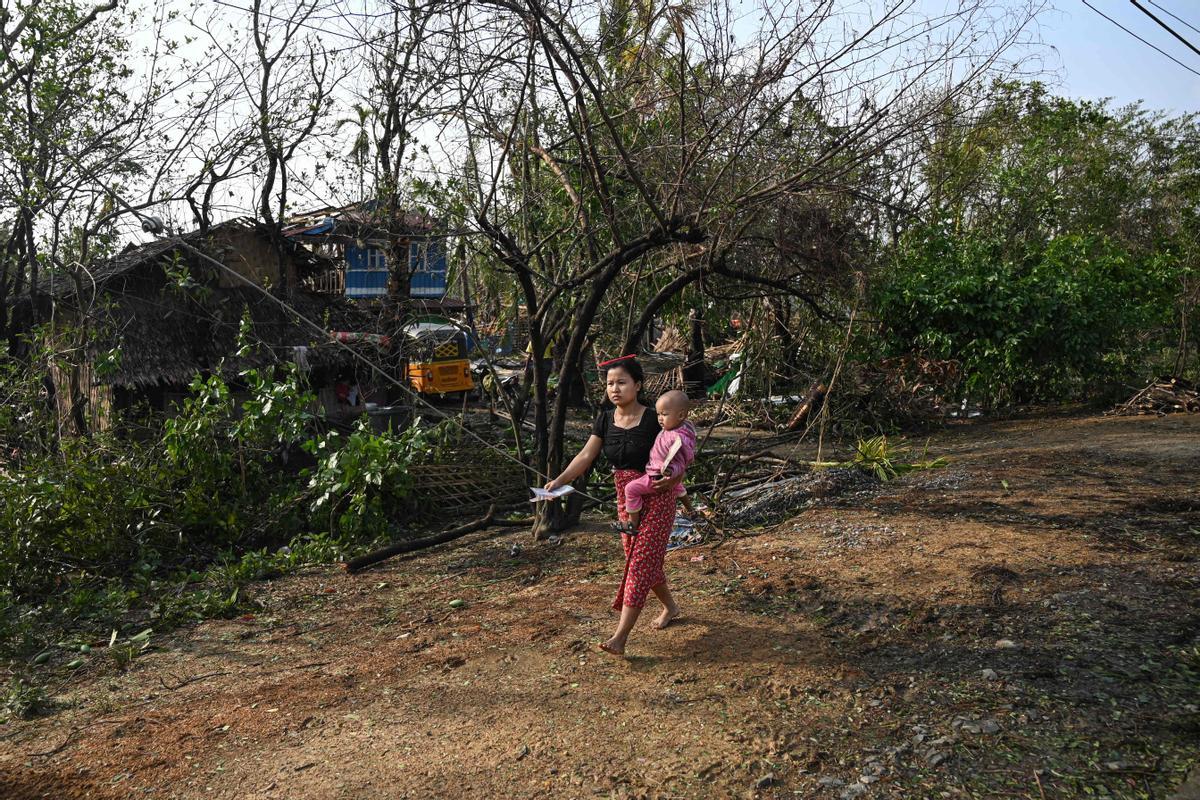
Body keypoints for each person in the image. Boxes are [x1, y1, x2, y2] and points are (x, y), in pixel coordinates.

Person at [544, 355, 683, 656]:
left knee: (640, 563)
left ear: (638, 385)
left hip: (657, 497)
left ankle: (619, 638)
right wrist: (559, 480)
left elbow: (681, 451)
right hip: (626, 499)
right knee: (639, 559)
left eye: (621, 382)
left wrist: (674, 481)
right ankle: (671, 606)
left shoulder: (654, 418)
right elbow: (585, 456)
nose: (614, 389)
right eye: (609, 384)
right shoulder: (605, 419)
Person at [616, 390, 696, 536]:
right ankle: (691, 510)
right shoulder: (680, 428)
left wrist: (671, 471)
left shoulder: (678, 438)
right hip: (664, 474)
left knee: (630, 489)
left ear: (680, 415)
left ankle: (632, 523)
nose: (660, 418)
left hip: (656, 477)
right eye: (658, 414)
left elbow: (683, 459)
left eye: (664, 414)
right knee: (677, 486)